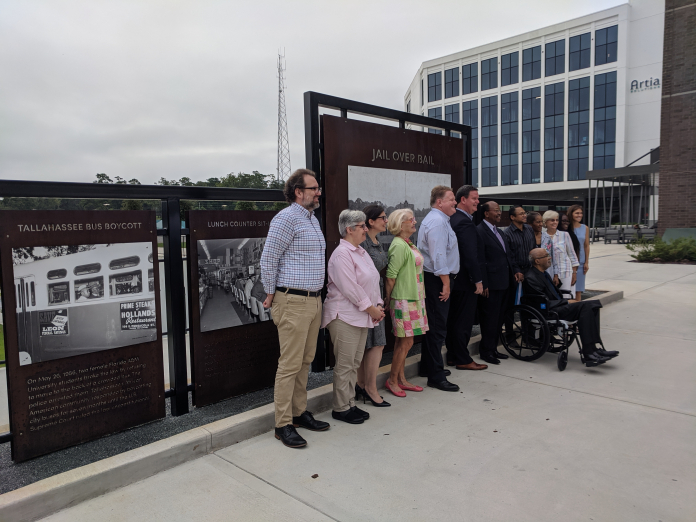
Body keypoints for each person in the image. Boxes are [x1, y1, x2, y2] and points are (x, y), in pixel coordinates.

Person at [260, 168, 329, 449]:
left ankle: (299, 413)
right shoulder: (286, 218)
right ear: (298, 192)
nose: (318, 192)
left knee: (305, 360)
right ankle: (282, 424)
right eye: (313, 188)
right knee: (289, 364)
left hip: (313, 300)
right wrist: (270, 293)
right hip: (293, 300)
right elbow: (269, 259)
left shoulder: (311, 220)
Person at [322, 210, 385, 424]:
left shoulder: (361, 252)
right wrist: (371, 309)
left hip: (362, 315)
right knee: (346, 364)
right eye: (362, 226)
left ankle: (350, 403)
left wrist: (378, 304)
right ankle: (340, 408)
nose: (366, 229)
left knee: (355, 362)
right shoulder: (341, 254)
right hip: (345, 316)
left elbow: (373, 281)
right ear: (349, 230)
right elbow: (350, 288)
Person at [524, 248, 619, 366]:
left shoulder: (543, 274)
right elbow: (541, 303)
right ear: (537, 261)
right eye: (546, 255)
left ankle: (593, 348)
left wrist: (566, 302)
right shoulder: (531, 277)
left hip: (556, 306)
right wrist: (567, 302)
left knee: (593, 305)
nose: (549, 257)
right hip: (548, 311)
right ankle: (589, 352)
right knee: (585, 306)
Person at [417, 186, 461, 392]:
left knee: (434, 326)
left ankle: (428, 366)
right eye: (451, 199)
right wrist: (446, 282)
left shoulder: (442, 220)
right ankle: (435, 375)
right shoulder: (437, 222)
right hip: (437, 280)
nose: (455, 202)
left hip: (438, 278)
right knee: (437, 328)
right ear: (439, 202)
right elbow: (438, 256)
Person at [384, 208, 428, 398]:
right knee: (406, 341)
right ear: (400, 224)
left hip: (414, 298)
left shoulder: (407, 243)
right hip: (403, 300)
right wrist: (389, 299)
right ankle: (392, 381)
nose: (414, 222)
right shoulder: (399, 245)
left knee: (404, 342)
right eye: (411, 220)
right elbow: (391, 276)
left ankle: (400, 379)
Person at [446, 185, 487, 371]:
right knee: (463, 322)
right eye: (474, 198)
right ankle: (463, 359)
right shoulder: (463, 221)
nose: (478, 202)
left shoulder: (454, 219)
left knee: (455, 320)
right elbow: (470, 254)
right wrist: (477, 280)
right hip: (465, 281)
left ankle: (454, 356)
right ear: (463, 199)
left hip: (456, 280)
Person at [356, 204, 391, 407]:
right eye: (383, 218)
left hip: (376, 296)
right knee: (375, 343)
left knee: (373, 343)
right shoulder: (364, 245)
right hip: (368, 299)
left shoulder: (376, 242)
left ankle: (363, 386)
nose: (386, 221)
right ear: (370, 221)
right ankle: (369, 388)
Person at [476, 201, 519, 365]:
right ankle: (486, 351)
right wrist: (484, 283)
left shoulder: (499, 232)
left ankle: (493, 348)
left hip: (505, 282)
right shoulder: (480, 231)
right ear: (486, 213)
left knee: (499, 318)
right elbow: (480, 260)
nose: (499, 213)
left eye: (500, 210)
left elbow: (508, 255)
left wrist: (515, 271)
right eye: (496, 211)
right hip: (491, 285)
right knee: (489, 319)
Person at [502, 205, 536, 343]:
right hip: (515, 273)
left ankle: (529, 337)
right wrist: (517, 270)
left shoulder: (529, 229)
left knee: (530, 305)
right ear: (512, 217)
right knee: (511, 306)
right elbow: (509, 255)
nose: (524, 215)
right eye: (521, 213)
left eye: (524, 213)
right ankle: (510, 337)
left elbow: (533, 249)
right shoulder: (507, 233)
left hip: (530, 271)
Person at [543, 210, 579, 296]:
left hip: (565, 272)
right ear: (545, 222)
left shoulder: (565, 235)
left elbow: (572, 255)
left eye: (556, 220)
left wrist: (574, 274)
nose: (555, 222)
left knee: (567, 298)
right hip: (549, 273)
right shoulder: (542, 237)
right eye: (552, 220)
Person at [567, 205, 590, 301]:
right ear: (571, 214)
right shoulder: (566, 228)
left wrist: (586, 262)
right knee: (568, 288)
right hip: (568, 262)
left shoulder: (585, 228)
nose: (579, 215)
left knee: (578, 289)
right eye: (577, 213)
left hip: (580, 262)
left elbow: (586, 245)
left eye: (581, 213)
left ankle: (578, 310)